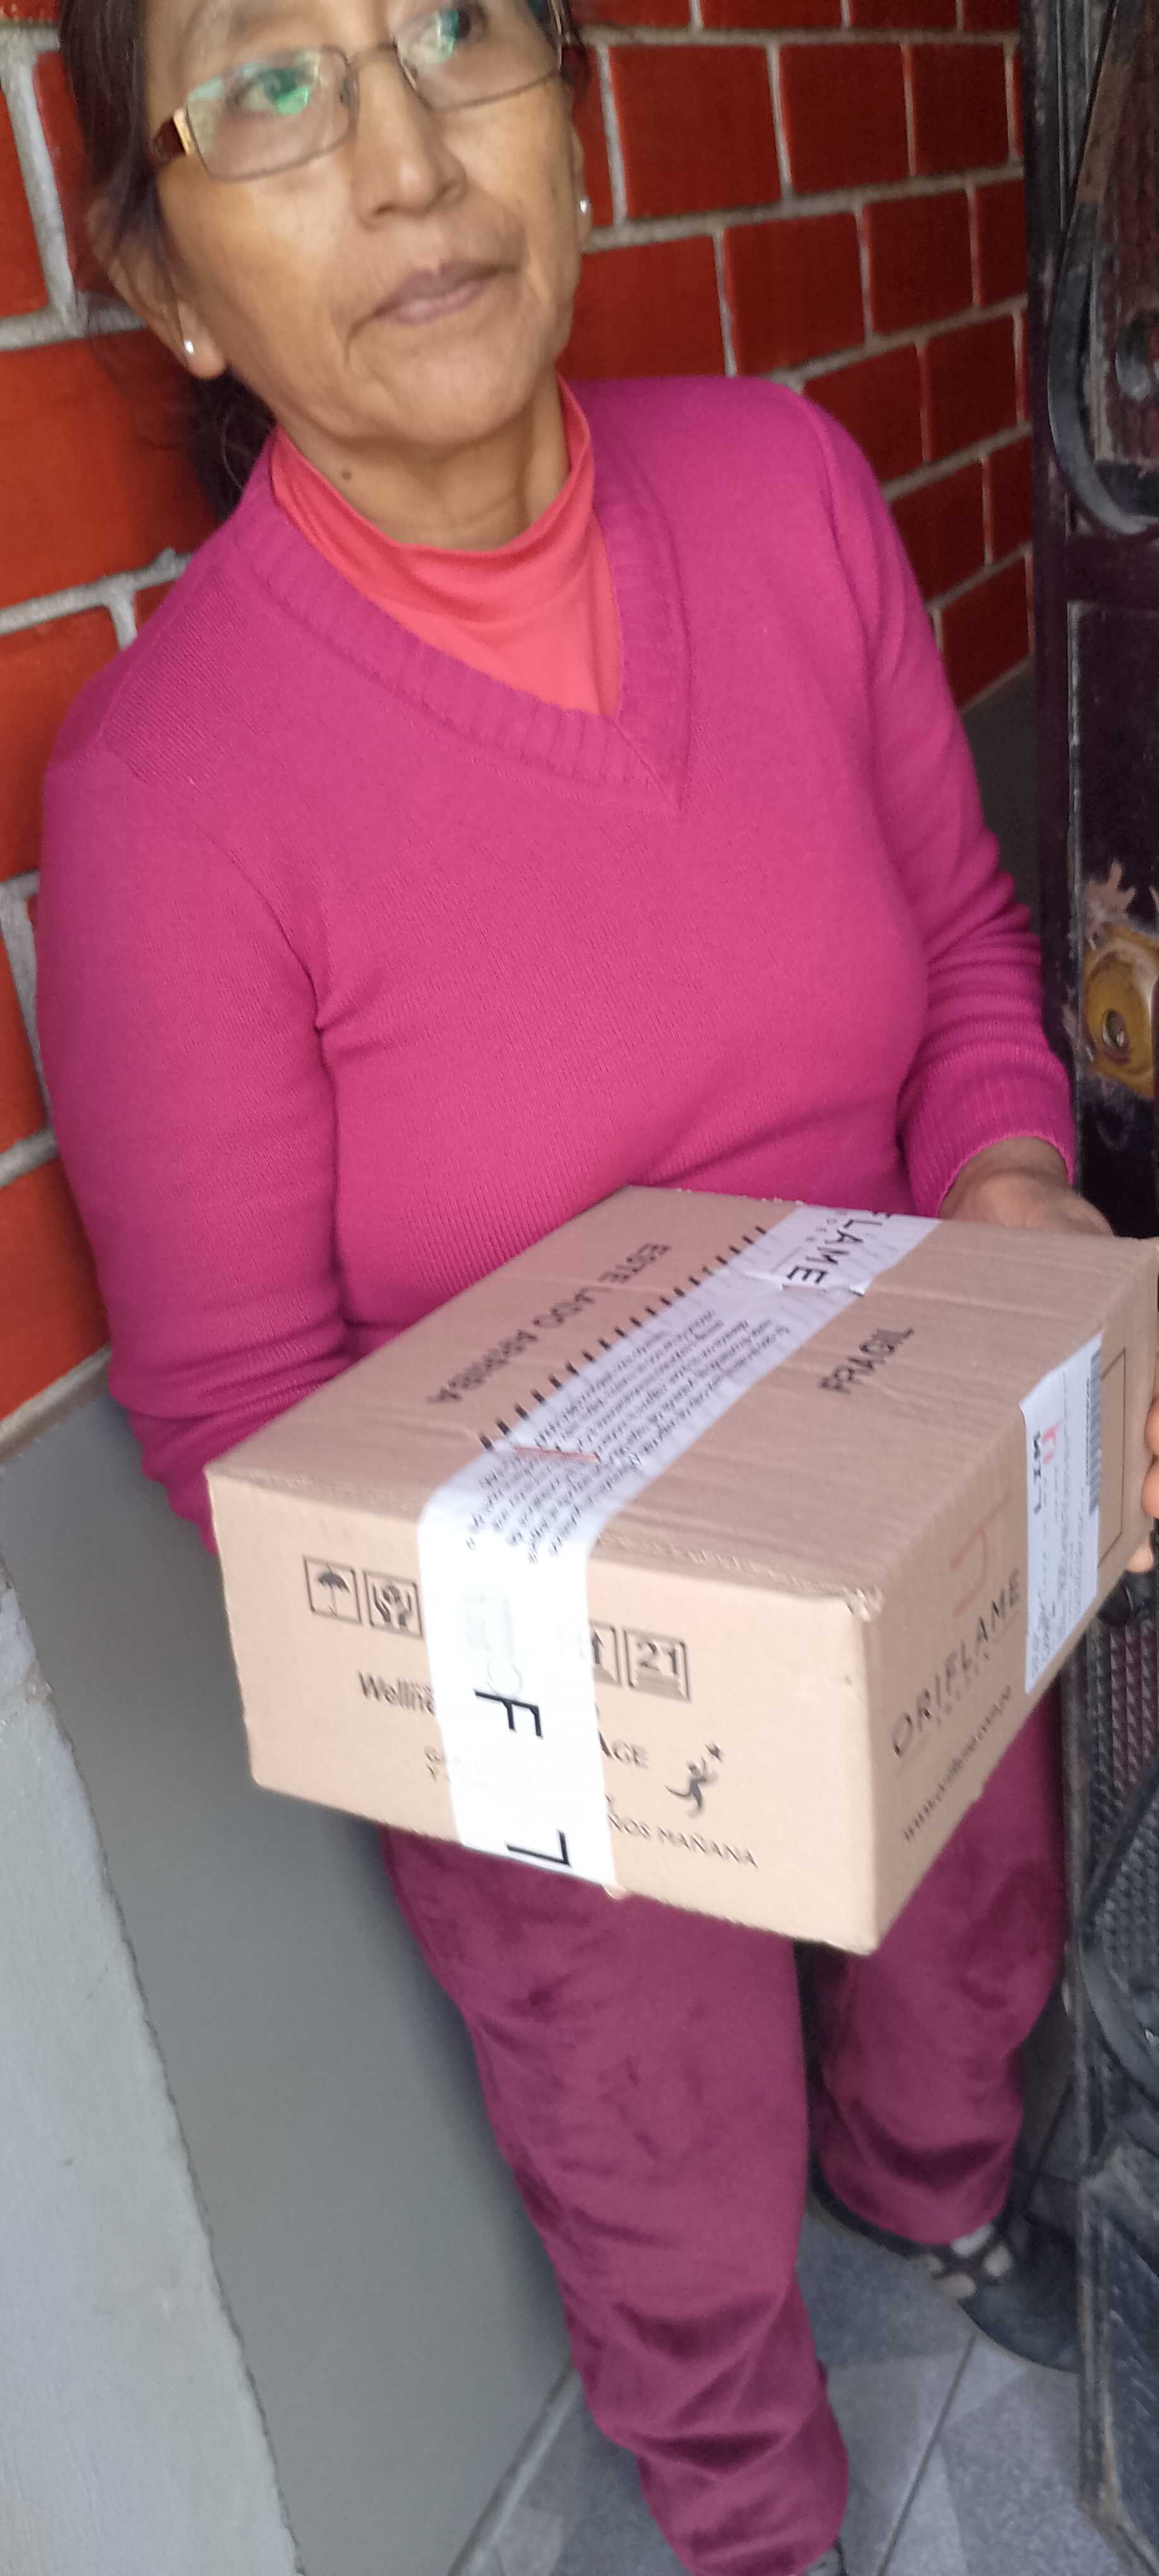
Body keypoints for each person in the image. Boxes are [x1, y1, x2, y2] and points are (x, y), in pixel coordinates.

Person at [37, 2, 1159, 2570]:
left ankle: (928, 2198)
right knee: (659, 2154)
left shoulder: (782, 487)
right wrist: (632, 1669)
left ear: (581, 120)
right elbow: (236, 1416)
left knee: (968, 1942)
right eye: (274, 87)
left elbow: (964, 946)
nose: (404, 155)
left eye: (454, 32)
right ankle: (748, 2505)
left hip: (901, 1475)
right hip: (543, 1686)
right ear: (170, 284)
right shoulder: (173, 796)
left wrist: (1005, 1197)